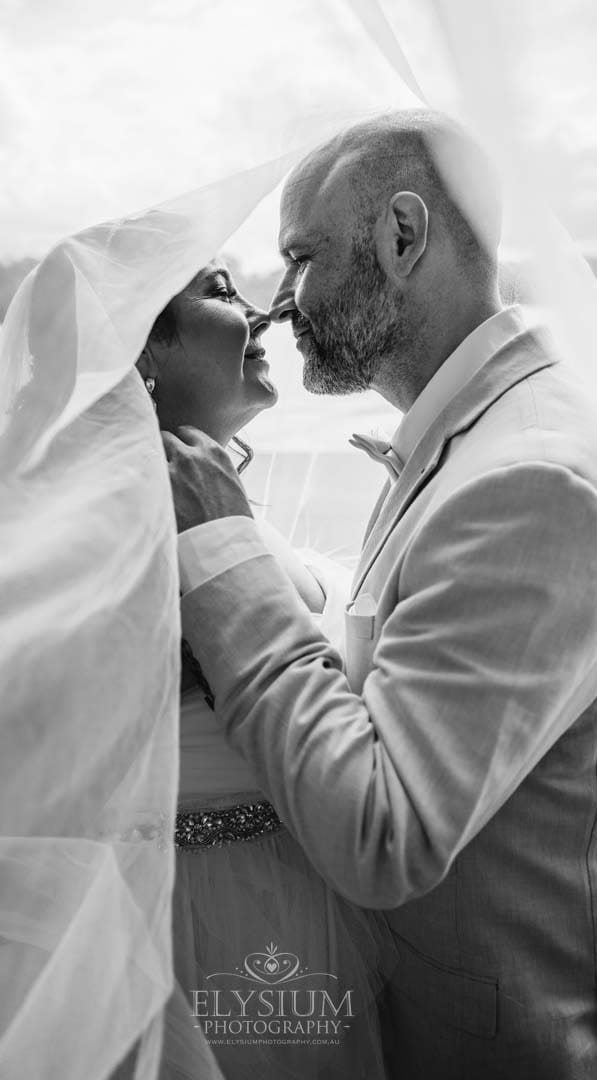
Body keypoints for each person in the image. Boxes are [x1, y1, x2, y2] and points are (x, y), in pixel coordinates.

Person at [162, 109, 597, 1079]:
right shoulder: (473, 434)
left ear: (402, 236)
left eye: (300, 257)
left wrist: (227, 555)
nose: (280, 304)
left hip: (513, 1044)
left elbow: (386, 836)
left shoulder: (527, 480)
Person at [135, 262, 390, 1080]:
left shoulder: (207, 492)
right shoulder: (127, 522)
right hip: (221, 918)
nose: (265, 309)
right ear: (141, 355)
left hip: (312, 883)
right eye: (217, 291)